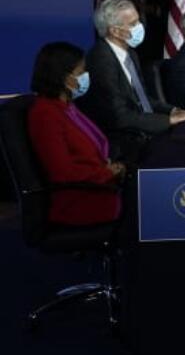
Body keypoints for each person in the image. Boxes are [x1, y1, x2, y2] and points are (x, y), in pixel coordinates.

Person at [77, 0, 185, 162]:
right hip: (122, 142)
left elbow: (142, 98)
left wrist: (173, 111)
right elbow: (119, 117)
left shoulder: (130, 53)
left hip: (143, 130)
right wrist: (169, 120)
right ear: (115, 31)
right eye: (133, 23)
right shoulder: (101, 60)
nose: (140, 26)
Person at [26, 42, 125, 226]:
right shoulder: (45, 114)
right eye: (81, 73)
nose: (86, 77)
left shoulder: (67, 106)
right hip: (79, 201)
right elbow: (62, 173)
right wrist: (105, 172)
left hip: (102, 188)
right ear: (63, 77)